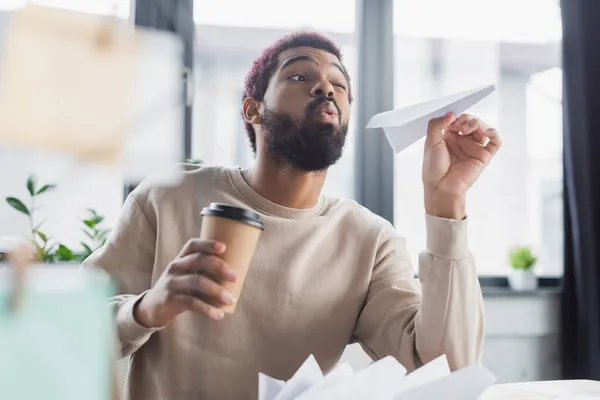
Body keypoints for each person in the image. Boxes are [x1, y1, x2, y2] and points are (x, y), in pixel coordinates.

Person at [83, 31, 501, 399]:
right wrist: (147, 309)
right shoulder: (167, 198)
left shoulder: (369, 240)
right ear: (252, 109)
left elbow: (446, 371)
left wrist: (446, 204)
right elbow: (67, 332)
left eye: (339, 84)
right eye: (300, 76)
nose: (326, 88)